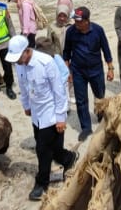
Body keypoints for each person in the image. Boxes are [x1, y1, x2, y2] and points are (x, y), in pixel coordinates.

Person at [8, 36, 77, 201]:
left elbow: (59, 91)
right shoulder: (20, 65)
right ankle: (69, 158)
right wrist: (26, 105)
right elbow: (23, 86)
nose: (16, 61)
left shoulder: (46, 63)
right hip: (36, 114)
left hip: (51, 113)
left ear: (27, 51)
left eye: (18, 57)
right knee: (53, 148)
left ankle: (41, 183)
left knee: (42, 150)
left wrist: (61, 118)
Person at [63, 7, 114, 141]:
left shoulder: (98, 30)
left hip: (96, 70)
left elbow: (106, 49)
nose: (76, 24)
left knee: (100, 96)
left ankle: (101, 116)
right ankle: (86, 127)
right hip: (78, 70)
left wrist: (110, 68)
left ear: (87, 20)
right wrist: (67, 71)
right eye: (75, 21)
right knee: (81, 100)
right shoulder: (70, 32)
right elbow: (66, 53)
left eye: (79, 21)